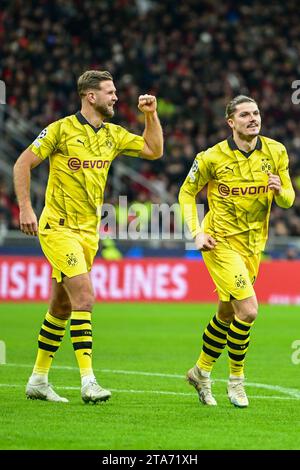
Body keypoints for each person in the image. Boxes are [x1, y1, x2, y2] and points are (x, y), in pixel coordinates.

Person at [13, 70, 163, 403]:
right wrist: (26, 208)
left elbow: (154, 150)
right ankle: (88, 381)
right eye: (110, 92)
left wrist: (150, 115)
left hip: (88, 232)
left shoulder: (113, 134)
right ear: (90, 96)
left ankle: (38, 379)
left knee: (62, 305)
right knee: (85, 298)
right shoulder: (60, 129)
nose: (116, 97)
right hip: (58, 227)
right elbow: (22, 164)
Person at [179, 95, 294, 408]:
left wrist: (279, 189)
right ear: (231, 122)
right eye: (245, 115)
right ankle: (236, 382)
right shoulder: (211, 158)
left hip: (254, 245)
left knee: (227, 313)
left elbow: (288, 200)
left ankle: (200, 371)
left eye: (255, 113)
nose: (253, 119)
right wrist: (197, 233)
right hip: (220, 242)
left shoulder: (276, 151)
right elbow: (186, 193)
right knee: (249, 310)